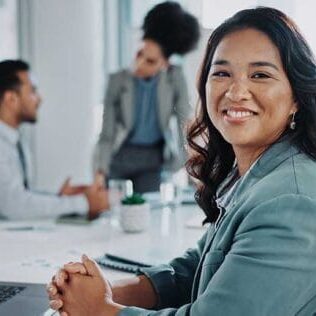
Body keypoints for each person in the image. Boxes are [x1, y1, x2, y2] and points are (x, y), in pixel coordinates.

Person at [48, 7, 316, 315]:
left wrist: (99, 310)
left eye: (260, 75)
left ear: (296, 96)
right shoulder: (251, 176)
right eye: (222, 73)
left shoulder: (290, 201)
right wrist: (110, 292)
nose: (236, 91)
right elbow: (196, 269)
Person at [94, 1, 200, 193]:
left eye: (150, 61)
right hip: (119, 156)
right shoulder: (117, 81)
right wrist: (100, 172)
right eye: (139, 54)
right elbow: (107, 134)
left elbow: (185, 125)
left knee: (148, 213)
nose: (139, 65)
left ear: (165, 64)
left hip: (152, 160)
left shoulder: (174, 79)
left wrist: (194, 174)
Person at [0, 59, 109, 220]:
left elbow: (18, 195)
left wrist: (59, 198)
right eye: (32, 91)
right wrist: (83, 203)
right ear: (11, 99)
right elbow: (13, 206)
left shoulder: (16, 141)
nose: (39, 99)